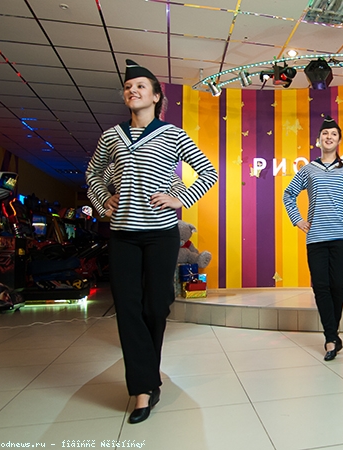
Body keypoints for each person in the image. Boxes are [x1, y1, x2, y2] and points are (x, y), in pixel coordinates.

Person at [86, 60, 218, 424]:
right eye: (129, 88)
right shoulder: (111, 136)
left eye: (141, 86)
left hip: (161, 234)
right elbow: (93, 173)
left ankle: (147, 373)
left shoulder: (172, 134)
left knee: (156, 306)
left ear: (156, 96)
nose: (133, 91)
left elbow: (208, 172)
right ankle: (143, 389)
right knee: (128, 308)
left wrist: (179, 198)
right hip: (123, 235)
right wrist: (103, 200)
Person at [283, 116, 343, 361]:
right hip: (316, 237)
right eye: (325, 134)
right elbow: (289, 194)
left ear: (339, 140)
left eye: (334, 134)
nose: (329, 137)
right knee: (320, 286)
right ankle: (330, 338)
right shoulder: (308, 169)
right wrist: (297, 219)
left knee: (337, 285)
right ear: (318, 140)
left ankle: (332, 335)